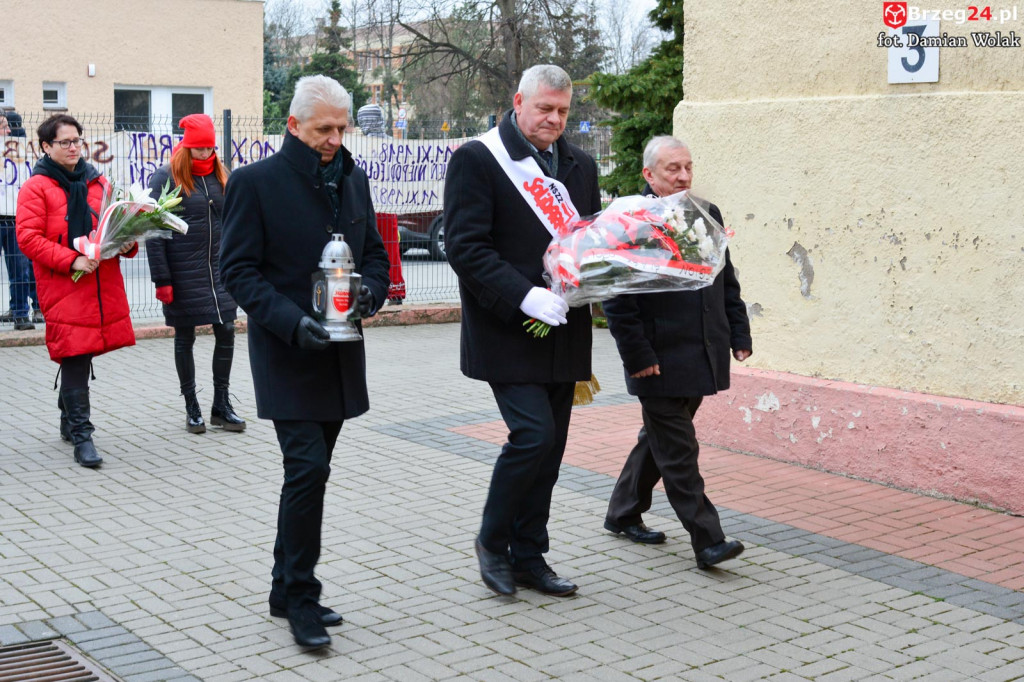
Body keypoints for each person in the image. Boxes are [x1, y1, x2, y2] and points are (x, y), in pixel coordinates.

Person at [220, 75, 389, 650]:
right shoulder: (255, 182)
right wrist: (293, 322)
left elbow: (375, 256)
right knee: (309, 469)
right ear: (293, 125)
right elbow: (238, 271)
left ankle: (281, 585)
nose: (335, 139)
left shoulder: (354, 179)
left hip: (340, 357)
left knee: (308, 477)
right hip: (287, 352)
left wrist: (373, 293)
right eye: (324, 129)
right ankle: (300, 596)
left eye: (342, 129)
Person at [444, 64, 601, 598]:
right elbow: (465, 247)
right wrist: (523, 295)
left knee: (551, 447)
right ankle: (491, 541)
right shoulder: (478, 159)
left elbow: (586, 243)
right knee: (531, 435)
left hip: (563, 327)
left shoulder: (581, 165)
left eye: (562, 111)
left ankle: (531, 555)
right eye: (544, 109)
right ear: (518, 102)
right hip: (508, 329)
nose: (554, 119)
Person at [602, 135, 751, 570]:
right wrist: (638, 355)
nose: (683, 175)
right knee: (680, 450)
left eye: (688, 166)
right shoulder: (630, 221)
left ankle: (623, 511)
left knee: (661, 440)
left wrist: (738, 333)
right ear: (649, 174)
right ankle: (708, 540)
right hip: (658, 358)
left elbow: (725, 277)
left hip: (703, 349)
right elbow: (617, 298)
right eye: (673, 169)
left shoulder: (707, 213)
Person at [15, 114, 138, 468]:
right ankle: (82, 436)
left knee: (83, 353)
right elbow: (28, 238)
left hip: (100, 282)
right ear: (46, 147)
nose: (73, 148)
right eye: (65, 142)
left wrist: (128, 240)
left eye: (78, 141)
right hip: (64, 284)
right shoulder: (36, 188)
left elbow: (114, 228)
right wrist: (71, 261)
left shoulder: (99, 182)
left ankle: (68, 415)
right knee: (74, 352)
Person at [147, 114, 245, 435]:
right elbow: (154, 231)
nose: (204, 154)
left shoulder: (221, 175)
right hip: (182, 273)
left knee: (227, 330)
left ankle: (221, 405)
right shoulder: (165, 177)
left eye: (209, 148)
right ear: (185, 147)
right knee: (185, 335)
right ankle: (192, 408)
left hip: (220, 272)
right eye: (198, 148)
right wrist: (162, 280)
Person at [356, 103, 405, 305]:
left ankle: (368, 290)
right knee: (390, 248)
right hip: (388, 206)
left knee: (367, 250)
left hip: (371, 206)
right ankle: (395, 290)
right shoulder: (392, 143)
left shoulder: (359, 145)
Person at [1, 112, 38, 330]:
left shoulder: (19, 151)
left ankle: (20, 314)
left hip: (14, 218)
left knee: (20, 270)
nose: (8, 131)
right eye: (3, 126)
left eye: (8, 126)